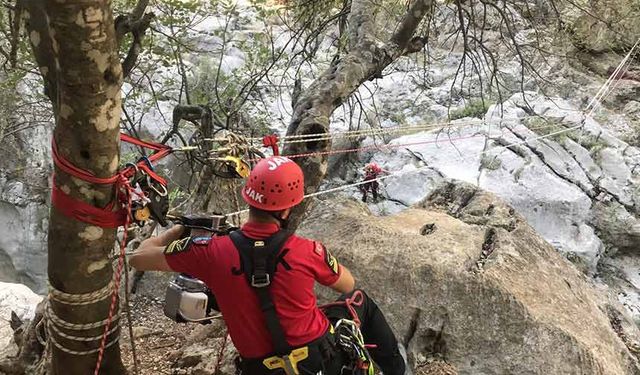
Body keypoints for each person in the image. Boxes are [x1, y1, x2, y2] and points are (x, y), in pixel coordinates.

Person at [130, 156, 408, 374]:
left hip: (259, 367)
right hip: (318, 359)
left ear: (248, 197)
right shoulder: (307, 250)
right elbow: (347, 284)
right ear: (289, 208)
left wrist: (180, 229)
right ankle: (398, 371)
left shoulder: (209, 251)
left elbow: (138, 257)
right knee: (361, 301)